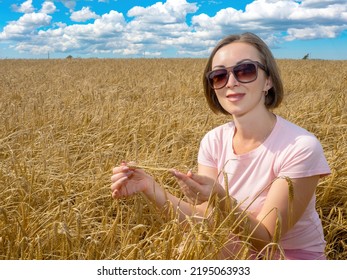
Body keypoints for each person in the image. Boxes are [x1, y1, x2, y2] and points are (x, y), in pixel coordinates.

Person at [110, 32, 331, 260]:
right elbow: (203, 219)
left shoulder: (300, 147)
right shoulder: (213, 140)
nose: (231, 82)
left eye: (245, 70)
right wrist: (149, 187)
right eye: (219, 75)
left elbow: (267, 240)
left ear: (268, 80)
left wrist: (221, 200)